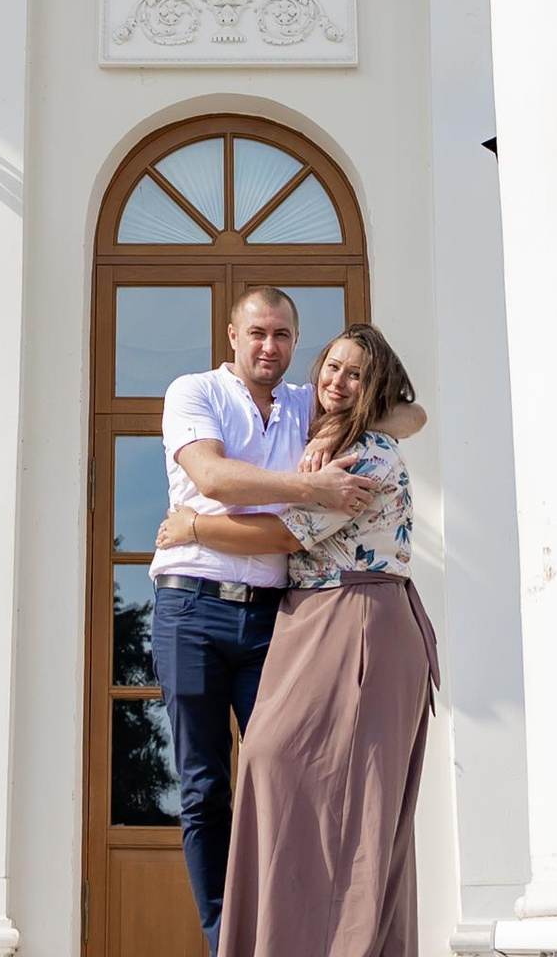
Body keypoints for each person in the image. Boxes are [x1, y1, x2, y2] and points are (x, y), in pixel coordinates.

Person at [152, 287, 425, 951]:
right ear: (231, 335)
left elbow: (409, 413)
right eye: (256, 333)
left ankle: (296, 935)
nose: (268, 345)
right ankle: (229, 940)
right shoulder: (194, 392)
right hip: (192, 606)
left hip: (281, 620)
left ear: (293, 344)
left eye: (280, 335)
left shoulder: (312, 407)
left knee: (285, 771)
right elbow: (213, 477)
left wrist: (337, 430)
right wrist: (309, 483)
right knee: (204, 789)